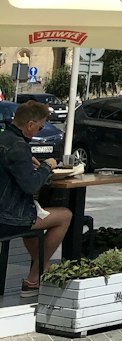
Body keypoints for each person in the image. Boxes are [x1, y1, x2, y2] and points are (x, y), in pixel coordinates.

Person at [0, 102, 72, 297]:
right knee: (64, 216)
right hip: (8, 217)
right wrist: (46, 166)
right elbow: (31, 186)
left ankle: (40, 272)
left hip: (7, 212)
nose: (39, 130)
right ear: (30, 124)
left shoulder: (5, 138)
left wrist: (26, 162)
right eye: (40, 127)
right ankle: (36, 276)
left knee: (34, 224)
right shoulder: (18, 146)